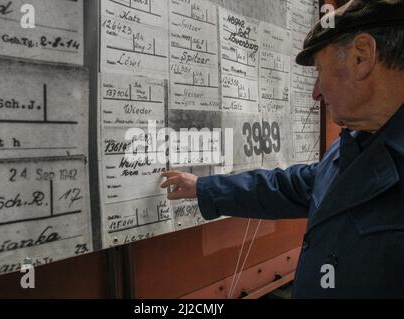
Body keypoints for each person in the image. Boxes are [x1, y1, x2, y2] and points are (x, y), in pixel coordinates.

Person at [161, 0, 404, 298]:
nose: (316, 92)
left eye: (319, 70)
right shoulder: (355, 144)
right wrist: (203, 187)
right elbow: (286, 186)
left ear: (361, 57)